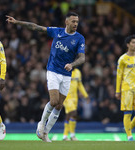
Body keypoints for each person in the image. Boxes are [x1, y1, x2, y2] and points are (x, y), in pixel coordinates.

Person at [6, 12, 85, 142]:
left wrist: (72, 64)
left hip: (66, 74)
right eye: (73, 21)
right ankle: (41, 124)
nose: (75, 24)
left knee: (59, 106)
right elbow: (35, 27)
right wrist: (17, 22)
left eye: (77, 21)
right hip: (53, 71)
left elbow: (82, 58)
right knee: (53, 102)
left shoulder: (79, 38)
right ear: (66, 22)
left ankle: (45, 133)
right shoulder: (57, 32)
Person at [115, 35, 135, 141]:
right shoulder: (122, 59)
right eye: (133, 42)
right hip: (126, 90)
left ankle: (128, 128)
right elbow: (119, 76)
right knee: (128, 112)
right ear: (128, 45)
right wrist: (117, 91)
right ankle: (129, 135)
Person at [63, 68, 90, 141]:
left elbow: (80, 85)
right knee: (73, 113)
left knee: (70, 115)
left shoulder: (78, 72)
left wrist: (86, 95)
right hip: (66, 96)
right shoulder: (65, 70)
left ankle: (65, 136)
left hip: (75, 97)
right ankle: (72, 135)